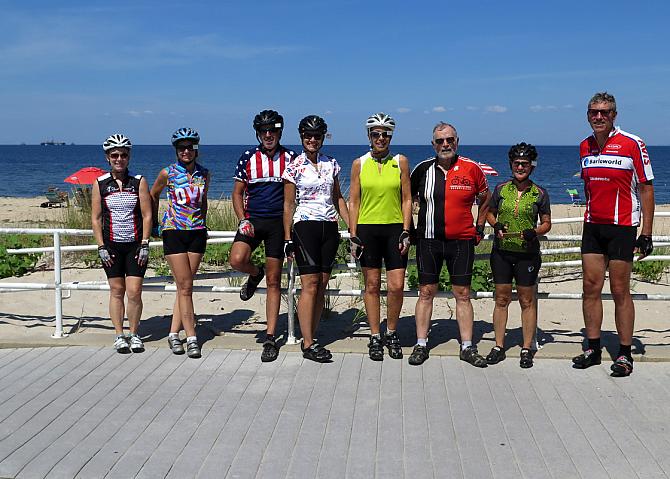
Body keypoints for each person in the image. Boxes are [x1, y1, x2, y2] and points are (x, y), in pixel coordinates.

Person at [573, 92, 655, 377]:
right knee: (590, 288)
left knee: (620, 291)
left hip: (623, 227)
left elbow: (645, 188)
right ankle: (592, 348)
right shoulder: (584, 146)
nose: (598, 117)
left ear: (614, 116)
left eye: (604, 112)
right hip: (593, 225)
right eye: (593, 112)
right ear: (588, 114)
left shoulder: (633, 143)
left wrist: (646, 232)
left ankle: (623, 353)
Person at [409, 122, 491, 366]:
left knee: (463, 294)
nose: (445, 144)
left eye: (449, 140)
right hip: (429, 240)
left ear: (457, 141)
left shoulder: (472, 168)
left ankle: (467, 346)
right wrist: (409, 229)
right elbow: (406, 199)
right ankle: (421, 344)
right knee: (425, 293)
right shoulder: (422, 169)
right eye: (440, 141)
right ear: (432, 144)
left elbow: (485, 197)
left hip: (461, 241)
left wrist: (480, 226)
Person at [230, 110, 296, 362]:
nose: (268, 135)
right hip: (253, 220)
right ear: (258, 133)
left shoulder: (291, 157)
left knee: (274, 281)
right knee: (237, 260)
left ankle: (270, 336)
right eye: (264, 131)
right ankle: (253, 273)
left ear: (279, 132)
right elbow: (237, 193)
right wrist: (242, 219)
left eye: (273, 131)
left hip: (279, 224)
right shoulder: (248, 157)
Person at [283, 115, 350, 362]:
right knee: (309, 285)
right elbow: (288, 205)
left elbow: (338, 198)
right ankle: (307, 343)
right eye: (308, 136)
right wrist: (288, 237)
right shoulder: (294, 166)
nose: (312, 140)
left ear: (323, 138)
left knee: (322, 284)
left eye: (317, 136)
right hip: (305, 226)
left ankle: (313, 332)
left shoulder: (331, 163)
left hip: (329, 227)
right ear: (301, 137)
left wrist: (352, 228)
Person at [348, 113, 412, 361]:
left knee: (396, 286)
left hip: (395, 228)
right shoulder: (359, 163)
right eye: (376, 133)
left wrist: (406, 229)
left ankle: (392, 332)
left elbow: (407, 198)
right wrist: (353, 234)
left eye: (385, 134)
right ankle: (375, 335)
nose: (381, 138)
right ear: (369, 136)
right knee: (372, 285)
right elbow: (354, 201)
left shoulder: (400, 161)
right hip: (367, 230)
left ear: (391, 137)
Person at [485, 143, 551, 369]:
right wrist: (496, 225)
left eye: (524, 164)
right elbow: (489, 214)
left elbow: (547, 223)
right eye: (516, 164)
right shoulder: (501, 189)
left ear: (531, 166)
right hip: (502, 253)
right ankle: (498, 345)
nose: (520, 167)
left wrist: (535, 231)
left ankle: (526, 347)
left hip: (527, 255)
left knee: (526, 300)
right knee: (501, 299)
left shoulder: (539, 193)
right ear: (511, 165)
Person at [150, 128, 209, 359]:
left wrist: (204, 222)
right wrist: (154, 223)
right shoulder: (168, 173)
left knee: (184, 287)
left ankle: (174, 333)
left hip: (196, 232)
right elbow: (153, 194)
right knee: (185, 287)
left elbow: (202, 201)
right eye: (181, 147)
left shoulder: (204, 173)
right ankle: (192, 337)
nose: (186, 151)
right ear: (176, 150)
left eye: (190, 147)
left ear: (196, 149)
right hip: (174, 231)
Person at [91, 134, 152, 354]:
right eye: (114, 155)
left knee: (134, 292)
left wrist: (145, 242)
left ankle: (134, 334)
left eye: (123, 155)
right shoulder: (100, 183)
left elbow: (147, 215)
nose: (119, 159)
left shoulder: (139, 181)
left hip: (136, 245)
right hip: (111, 246)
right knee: (117, 290)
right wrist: (101, 246)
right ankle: (119, 335)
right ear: (108, 158)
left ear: (129, 156)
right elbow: (96, 218)